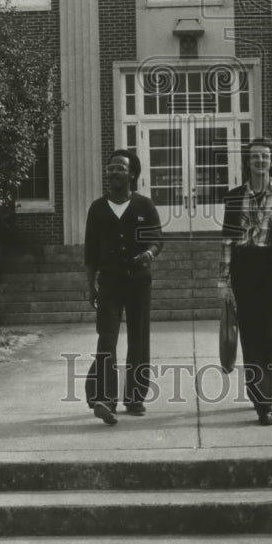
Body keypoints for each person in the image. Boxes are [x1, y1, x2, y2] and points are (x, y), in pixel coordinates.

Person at [219, 138, 272, 426]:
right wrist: (224, 281)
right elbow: (228, 241)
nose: (260, 161)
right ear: (247, 161)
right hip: (244, 274)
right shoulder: (233, 197)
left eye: (265, 157)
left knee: (270, 336)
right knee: (250, 336)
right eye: (255, 157)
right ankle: (262, 401)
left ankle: (268, 389)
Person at [84, 149, 163, 426]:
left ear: (132, 174)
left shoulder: (144, 206)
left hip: (138, 282)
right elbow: (90, 252)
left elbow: (157, 240)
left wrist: (149, 254)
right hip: (109, 283)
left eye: (119, 168)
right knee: (107, 339)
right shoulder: (97, 208)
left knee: (138, 339)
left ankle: (135, 398)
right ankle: (106, 399)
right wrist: (90, 285)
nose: (113, 172)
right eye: (110, 168)